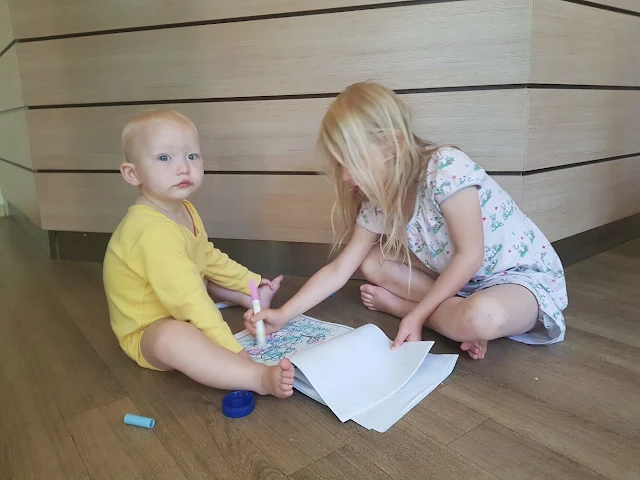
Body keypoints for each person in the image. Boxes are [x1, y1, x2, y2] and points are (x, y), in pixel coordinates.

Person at [245, 82, 568, 360]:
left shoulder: (446, 167)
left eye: (352, 162)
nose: (345, 177)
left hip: (518, 280)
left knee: (482, 317)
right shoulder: (379, 202)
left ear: (394, 145)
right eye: (340, 165)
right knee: (372, 263)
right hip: (462, 284)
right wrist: (283, 315)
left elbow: (471, 256)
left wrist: (413, 314)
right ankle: (449, 315)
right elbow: (339, 269)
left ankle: (408, 309)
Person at [103, 110, 294, 396]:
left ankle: (249, 298)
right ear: (133, 174)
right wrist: (233, 351)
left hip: (178, 297)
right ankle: (256, 378)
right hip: (148, 329)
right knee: (173, 336)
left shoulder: (183, 210)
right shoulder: (150, 232)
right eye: (164, 158)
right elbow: (189, 301)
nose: (183, 168)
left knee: (200, 272)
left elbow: (207, 256)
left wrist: (251, 282)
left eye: (192, 156)